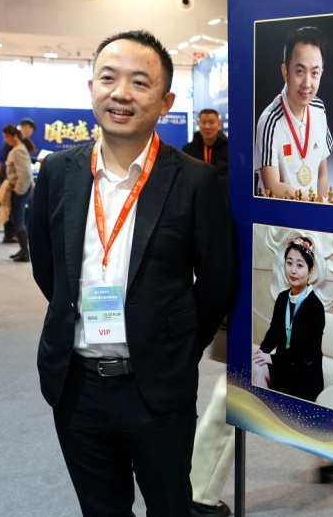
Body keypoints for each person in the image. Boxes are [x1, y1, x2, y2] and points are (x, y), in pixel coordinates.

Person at [30, 29, 234, 516]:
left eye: (140, 83)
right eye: (108, 78)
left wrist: (178, 347)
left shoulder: (194, 180)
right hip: (75, 385)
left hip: (156, 386)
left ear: (165, 102)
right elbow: (47, 268)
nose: (121, 93)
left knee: (170, 507)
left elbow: (217, 280)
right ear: (91, 88)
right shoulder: (58, 172)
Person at [182, 108, 233, 517]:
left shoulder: (231, 152)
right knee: (240, 384)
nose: (208, 128)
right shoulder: (188, 152)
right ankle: (199, 488)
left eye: (213, 123)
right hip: (241, 253)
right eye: (204, 123)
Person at [254, 26, 333, 200]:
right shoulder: (269, 122)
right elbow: (272, 186)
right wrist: (316, 202)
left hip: (312, 212)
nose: (307, 83)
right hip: (279, 215)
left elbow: (322, 173)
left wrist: (320, 211)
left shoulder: (319, 109)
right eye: (299, 71)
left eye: (314, 73)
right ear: (285, 72)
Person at [253, 235, 325, 402]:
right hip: (283, 368)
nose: (293, 270)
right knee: (255, 364)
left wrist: (271, 358)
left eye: (300, 265)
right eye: (289, 263)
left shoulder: (315, 307)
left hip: (304, 376)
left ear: (310, 271)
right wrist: (262, 352)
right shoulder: (282, 298)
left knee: (261, 367)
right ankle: (263, 415)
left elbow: (305, 354)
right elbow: (274, 332)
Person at [2, 124, 33, 262]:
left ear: (14, 136)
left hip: (21, 190)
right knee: (17, 219)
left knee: (19, 219)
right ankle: (22, 250)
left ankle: (25, 252)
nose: (6, 140)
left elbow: (25, 173)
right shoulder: (17, 149)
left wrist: (19, 189)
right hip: (20, 189)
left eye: (7, 137)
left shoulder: (18, 150)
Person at [183, 109, 227, 192]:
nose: (207, 127)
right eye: (203, 122)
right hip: (196, 196)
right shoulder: (188, 149)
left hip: (223, 196)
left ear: (219, 125)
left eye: (211, 122)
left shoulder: (229, 149)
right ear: (199, 124)